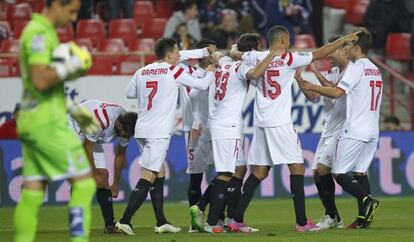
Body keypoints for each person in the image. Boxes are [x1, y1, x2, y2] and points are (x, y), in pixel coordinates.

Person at [229, 26, 360, 232]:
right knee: (297, 168)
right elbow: (322, 51)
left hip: (261, 122)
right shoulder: (290, 59)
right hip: (280, 123)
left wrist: (235, 50)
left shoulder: (256, 56)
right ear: (281, 41)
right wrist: (344, 39)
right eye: (288, 40)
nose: (289, 43)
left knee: (259, 172)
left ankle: (236, 219)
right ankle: (301, 222)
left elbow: (235, 53)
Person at [14, 0, 99, 241]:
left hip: (34, 121)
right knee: (84, 183)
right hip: (46, 124)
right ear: (57, 5)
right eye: (71, 11)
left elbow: (47, 84)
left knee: (32, 191)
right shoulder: (39, 32)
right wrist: (70, 66)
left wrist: (70, 75)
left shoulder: (42, 32)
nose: (73, 18)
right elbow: (40, 79)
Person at [115, 37, 215, 236]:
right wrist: (211, 71)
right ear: (169, 55)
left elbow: (129, 93)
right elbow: (202, 85)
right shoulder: (173, 70)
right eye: (177, 52)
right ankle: (124, 221)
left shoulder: (142, 71)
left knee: (159, 173)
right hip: (158, 132)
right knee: (149, 175)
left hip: (142, 129)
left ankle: (161, 221)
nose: (179, 55)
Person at [191, 35, 279, 233]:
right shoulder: (240, 67)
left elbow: (221, 53)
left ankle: (219, 214)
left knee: (235, 170)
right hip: (227, 125)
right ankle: (212, 221)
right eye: (259, 49)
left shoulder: (223, 61)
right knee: (226, 173)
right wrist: (271, 56)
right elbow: (256, 73)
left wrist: (231, 50)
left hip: (217, 122)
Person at [298, 28, 381, 229]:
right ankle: (363, 219)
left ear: (357, 47)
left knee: (337, 172)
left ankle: (366, 200)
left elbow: (336, 93)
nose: (346, 49)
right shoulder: (374, 68)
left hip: (353, 128)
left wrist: (312, 86)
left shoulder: (356, 67)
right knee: (359, 172)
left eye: (349, 45)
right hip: (372, 129)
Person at [295, 35, 352, 230]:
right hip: (328, 129)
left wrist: (315, 75)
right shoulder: (334, 71)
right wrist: (300, 79)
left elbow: (335, 90)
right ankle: (333, 216)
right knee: (317, 174)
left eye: (332, 50)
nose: (329, 55)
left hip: (341, 129)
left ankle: (333, 216)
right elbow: (312, 96)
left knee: (322, 170)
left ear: (343, 49)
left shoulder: (350, 71)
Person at [68, 100, 137, 234]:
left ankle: (109, 225)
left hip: (92, 137)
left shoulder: (127, 125)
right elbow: (87, 146)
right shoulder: (100, 121)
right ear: (119, 123)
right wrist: (94, 173)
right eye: (123, 134)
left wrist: (115, 183)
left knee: (104, 177)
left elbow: (120, 153)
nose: (123, 137)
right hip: (73, 128)